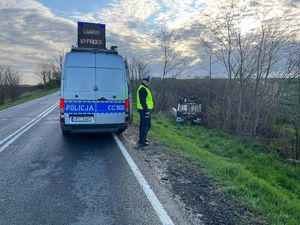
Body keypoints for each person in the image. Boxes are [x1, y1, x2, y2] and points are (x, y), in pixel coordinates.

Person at [136, 76, 153, 148]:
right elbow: (143, 101)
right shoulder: (143, 89)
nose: (149, 82)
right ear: (143, 81)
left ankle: (143, 138)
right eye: (147, 81)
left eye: (149, 81)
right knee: (145, 125)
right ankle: (142, 141)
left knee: (145, 125)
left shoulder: (144, 88)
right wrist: (146, 111)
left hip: (143, 110)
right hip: (144, 110)